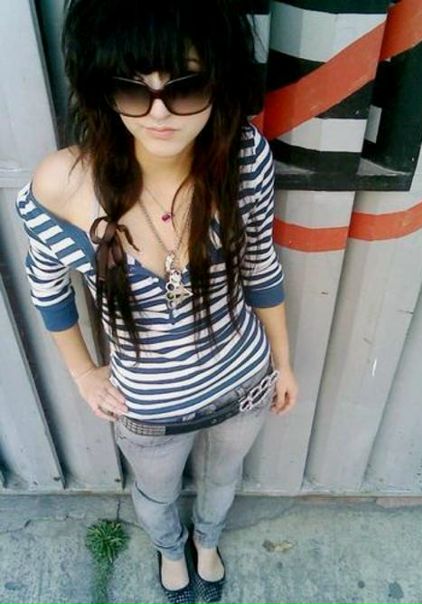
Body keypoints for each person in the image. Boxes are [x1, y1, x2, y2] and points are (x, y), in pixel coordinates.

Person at [15, 0, 299, 602]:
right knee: (155, 491)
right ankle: (171, 550)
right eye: (133, 89)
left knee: (223, 478)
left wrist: (284, 362)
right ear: (104, 89)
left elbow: (260, 265)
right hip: (148, 407)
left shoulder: (242, 157)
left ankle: (207, 541)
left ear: (217, 82)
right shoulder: (65, 184)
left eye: (185, 87)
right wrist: (83, 373)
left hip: (244, 384)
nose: (160, 113)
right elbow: (47, 285)